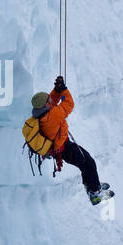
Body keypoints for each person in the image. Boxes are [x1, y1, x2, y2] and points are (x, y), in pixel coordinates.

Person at [31, 75, 109, 204]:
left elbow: (53, 102)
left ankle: (93, 185)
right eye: (49, 99)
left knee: (86, 163)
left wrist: (57, 90)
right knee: (88, 163)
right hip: (66, 149)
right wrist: (64, 90)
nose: (51, 99)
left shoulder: (41, 114)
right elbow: (69, 104)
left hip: (62, 148)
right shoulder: (53, 115)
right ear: (46, 105)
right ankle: (95, 193)